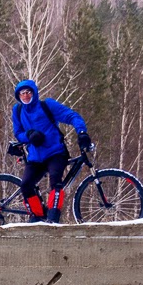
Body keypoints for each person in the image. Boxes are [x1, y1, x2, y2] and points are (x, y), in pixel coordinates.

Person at [11, 79, 92, 223]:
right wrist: (28, 135)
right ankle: (38, 216)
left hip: (55, 152)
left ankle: (53, 218)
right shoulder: (17, 111)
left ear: (34, 93)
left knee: (55, 180)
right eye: (22, 93)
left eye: (28, 92)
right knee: (26, 185)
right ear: (18, 96)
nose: (25, 96)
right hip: (35, 157)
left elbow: (71, 116)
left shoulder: (47, 105)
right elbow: (18, 133)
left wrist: (81, 132)